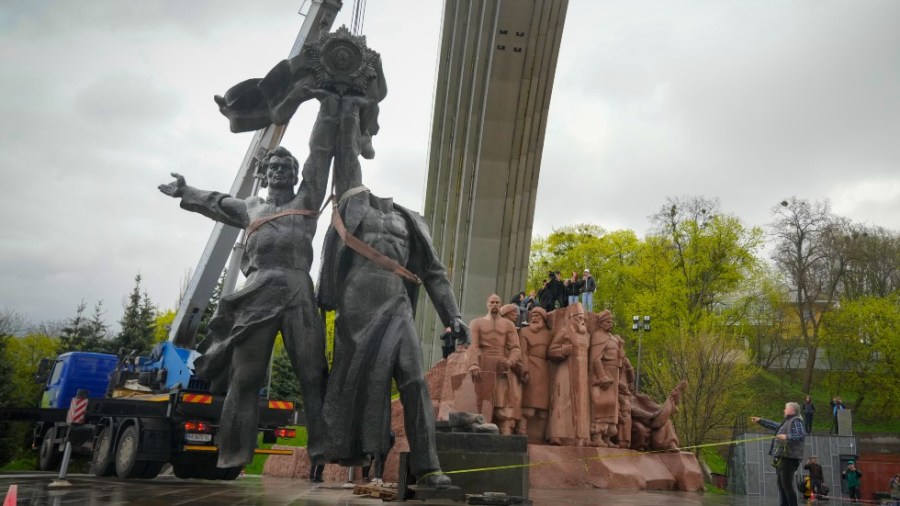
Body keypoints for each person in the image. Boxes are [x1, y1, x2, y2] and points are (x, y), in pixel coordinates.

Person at [158, 146, 328, 469]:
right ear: (265, 175)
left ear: (294, 175)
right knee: (245, 377)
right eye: (274, 166)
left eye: (285, 167)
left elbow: (318, 161)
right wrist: (186, 191)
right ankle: (234, 452)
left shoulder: (306, 200)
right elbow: (218, 203)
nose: (279, 171)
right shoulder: (251, 206)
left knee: (312, 374)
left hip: (298, 292)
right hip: (257, 291)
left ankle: (323, 446)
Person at [467, 295, 523, 435]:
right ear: (487, 304)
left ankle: (505, 436)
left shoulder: (508, 325)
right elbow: (472, 346)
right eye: (492, 302)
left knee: (502, 404)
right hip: (483, 364)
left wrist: (510, 361)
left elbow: (515, 348)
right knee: (481, 403)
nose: (494, 305)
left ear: (500, 304)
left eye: (497, 302)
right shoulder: (476, 323)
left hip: (501, 364)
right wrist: (473, 364)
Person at [546, 303, 591, 446]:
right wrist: (562, 351)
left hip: (582, 373)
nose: (582, 321)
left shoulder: (587, 335)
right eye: (578, 318)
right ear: (571, 318)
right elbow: (551, 351)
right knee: (562, 402)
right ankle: (557, 434)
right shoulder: (565, 331)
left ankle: (581, 437)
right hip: (565, 371)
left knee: (582, 404)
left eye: (583, 318)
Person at [751, 402, 806, 506]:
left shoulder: (796, 420)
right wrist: (760, 421)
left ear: (792, 410)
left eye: (785, 408)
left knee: (787, 486)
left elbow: (800, 435)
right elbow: (775, 426)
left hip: (789, 458)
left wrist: (787, 437)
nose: (784, 410)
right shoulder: (787, 421)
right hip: (783, 457)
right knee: (782, 486)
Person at [517, 307, 553, 440]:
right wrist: (524, 369)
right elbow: (523, 352)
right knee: (529, 403)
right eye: (533, 315)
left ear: (543, 319)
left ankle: (539, 435)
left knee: (542, 406)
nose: (535, 317)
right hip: (531, 366)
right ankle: (522, 428)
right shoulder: (524, 332)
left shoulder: (548, 334)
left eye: (538, 315)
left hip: (544, 369)